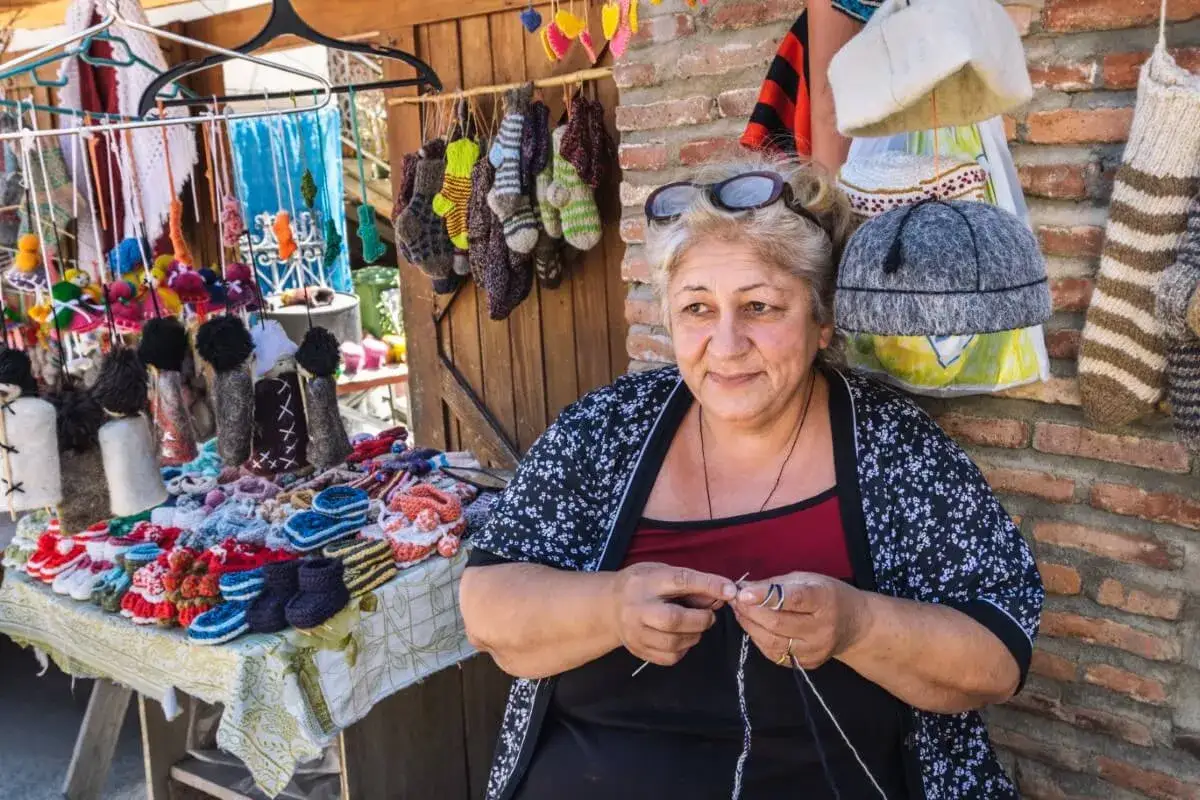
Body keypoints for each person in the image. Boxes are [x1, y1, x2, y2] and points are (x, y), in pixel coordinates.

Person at [460, 155, 1044, 800]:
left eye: (761, 306)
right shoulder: (606, 428)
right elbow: (488, 609)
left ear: (822, 322)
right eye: (697, 308)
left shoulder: (895, 447)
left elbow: (995, 660)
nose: (727, 342)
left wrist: (858, 627)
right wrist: (612, 608)